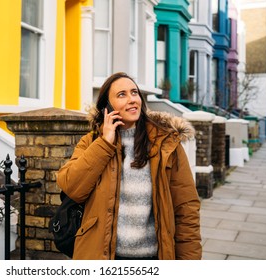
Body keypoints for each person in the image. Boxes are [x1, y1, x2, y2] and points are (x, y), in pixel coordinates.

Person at [56, 72, 202, 260]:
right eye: (122, 95)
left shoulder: (167, 144)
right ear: (107, 108)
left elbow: (186, 208)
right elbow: (71, 186)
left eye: (134, 93)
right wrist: (105, 143)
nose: (132, 99)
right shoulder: (92, 142)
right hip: (104, 257)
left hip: (153, 258)